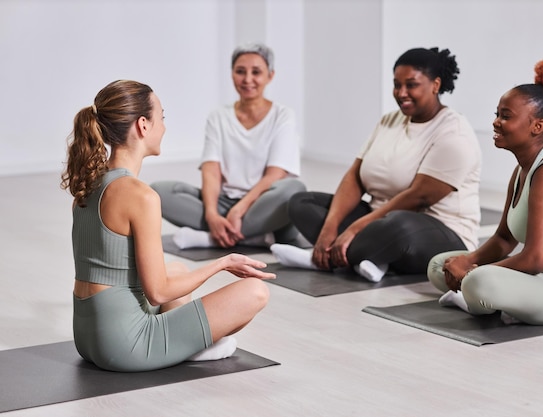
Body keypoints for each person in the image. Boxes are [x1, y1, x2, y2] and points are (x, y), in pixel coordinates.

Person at [61, 80, 274, 372]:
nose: (164, 126)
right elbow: (158, 293)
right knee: (255, 292)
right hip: (124, 346)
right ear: (143, 125)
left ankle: (181, 342)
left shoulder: (89, 185)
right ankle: (187, 348)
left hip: (87, 338)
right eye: (162, 117)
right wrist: (223, 263)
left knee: (177, 270)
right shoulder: (140, 196)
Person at [271, 47, 481, 282]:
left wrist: (354, 228)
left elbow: (418, 198)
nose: (401, 93)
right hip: (377, 220)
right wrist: (330, 226)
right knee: (302, 203)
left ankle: (322, 259)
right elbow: (355, 176)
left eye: (411, 85)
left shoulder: (455, 134)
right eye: (397, 84)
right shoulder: (389, 120)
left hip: (438, 232)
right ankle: (372, 257)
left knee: (399, 225)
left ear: (435, 85)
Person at [427, 55, 543, 325]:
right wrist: (467, 260)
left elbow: (535, 259)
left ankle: (476, 298)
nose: (496, 122)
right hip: (533, 279)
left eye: (506, 116)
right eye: (497, 114)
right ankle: (481, 298)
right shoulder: (521, 171)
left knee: (478, 281)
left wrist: (470, 271)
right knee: (440, 265)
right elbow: (504, 240)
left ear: (537, 126)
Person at [151, 43, 306, 249]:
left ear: (270, 76)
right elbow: (211, 171)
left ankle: (210, 239)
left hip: (264, 204)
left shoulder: (283, 116)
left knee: (293, 190)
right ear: (232, 74)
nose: (247, 79)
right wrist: (212, 214)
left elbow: (275, 174)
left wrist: (240, 209)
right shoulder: (218, 116)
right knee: (158, 192)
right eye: (240, 71)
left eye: (256, 72)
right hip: (225, 202)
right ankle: (253, 236)